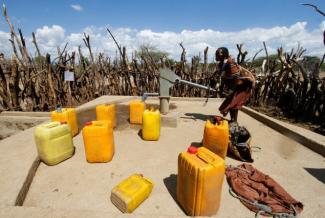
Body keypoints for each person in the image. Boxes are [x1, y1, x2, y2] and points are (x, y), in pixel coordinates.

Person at [215, 47, 255, 122]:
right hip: (236, 86)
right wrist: (221, 88)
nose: (217, 55)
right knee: (231, 103)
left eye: (219, 53)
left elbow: (236, 77)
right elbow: (223, 78)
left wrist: (230, 90)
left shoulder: (230, 62)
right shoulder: (222, 64)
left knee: (234, 104)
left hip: (243, 86)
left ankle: (234, 121)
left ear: (225, 54)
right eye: (216, 53)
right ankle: (233, 120)